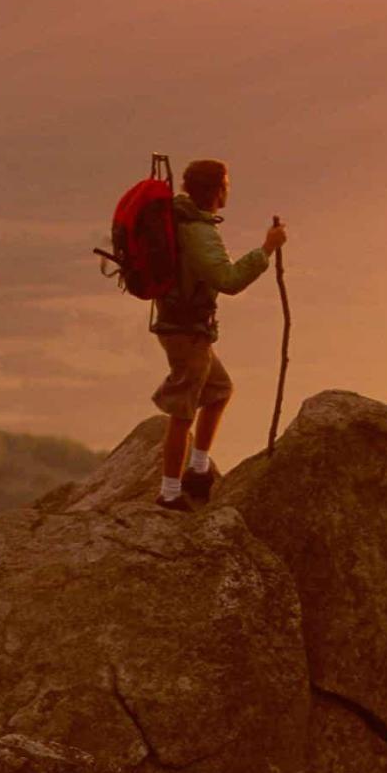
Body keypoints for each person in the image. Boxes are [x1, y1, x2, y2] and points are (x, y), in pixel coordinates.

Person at [150, 158, 286, 512]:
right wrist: (266, 249)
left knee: (219, 390)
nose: (229, 189)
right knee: (183, 409)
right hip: (185, 330)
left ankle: (197, 470)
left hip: (185, 326)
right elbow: (228, 280)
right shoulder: (197, 230)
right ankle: (169, 493)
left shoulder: (183, 219)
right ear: (216, 190)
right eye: (227, 183)